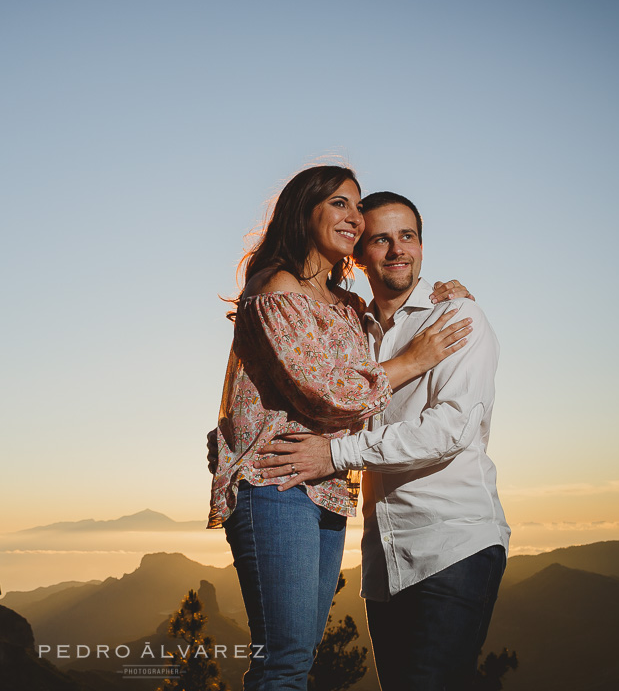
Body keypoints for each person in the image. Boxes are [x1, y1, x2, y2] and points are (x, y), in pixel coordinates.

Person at [208, 166, 474, 691]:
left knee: (297, 660)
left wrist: (444, 296)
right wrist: (412, 361)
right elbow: (327, 390)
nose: (354, 216)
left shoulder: (348, 306)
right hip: (274, 483)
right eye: (339, 204)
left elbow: (392, 319)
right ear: (303, 211)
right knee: (283, 662)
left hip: (327, 490)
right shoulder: (274, 290)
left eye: (357, 207)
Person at [254, 191, 509, 691]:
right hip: (385, 562)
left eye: (408, 236)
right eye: (381, 239)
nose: (398, 250)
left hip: (453, 544)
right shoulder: (351, 329)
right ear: (358, 252)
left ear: (421, 246)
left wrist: (334, 455)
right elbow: (315, 393)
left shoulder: (456, 318)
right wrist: (237, 438)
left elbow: (449, 430)